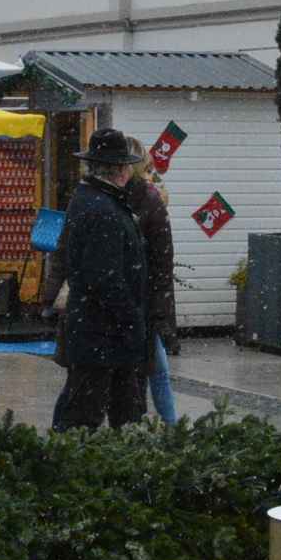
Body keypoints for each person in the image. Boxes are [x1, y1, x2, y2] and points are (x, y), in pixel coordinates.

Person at [52, 128, 149, 429]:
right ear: (120, 170)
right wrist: (132, 319)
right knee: (85, 415)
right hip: (103, 333)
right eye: (128, 166)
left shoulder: (91, 199)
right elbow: (104, 277)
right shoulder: (103, 208)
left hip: (98, 331)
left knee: (116, 410)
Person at [123, 137, 181, 420]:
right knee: (154, 369)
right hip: (141, 298)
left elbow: (161, 260)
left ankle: (166, 423)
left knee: (155, 368)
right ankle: (166, 424)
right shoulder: (145, 198)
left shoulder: (146, 198)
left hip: (141, 299)